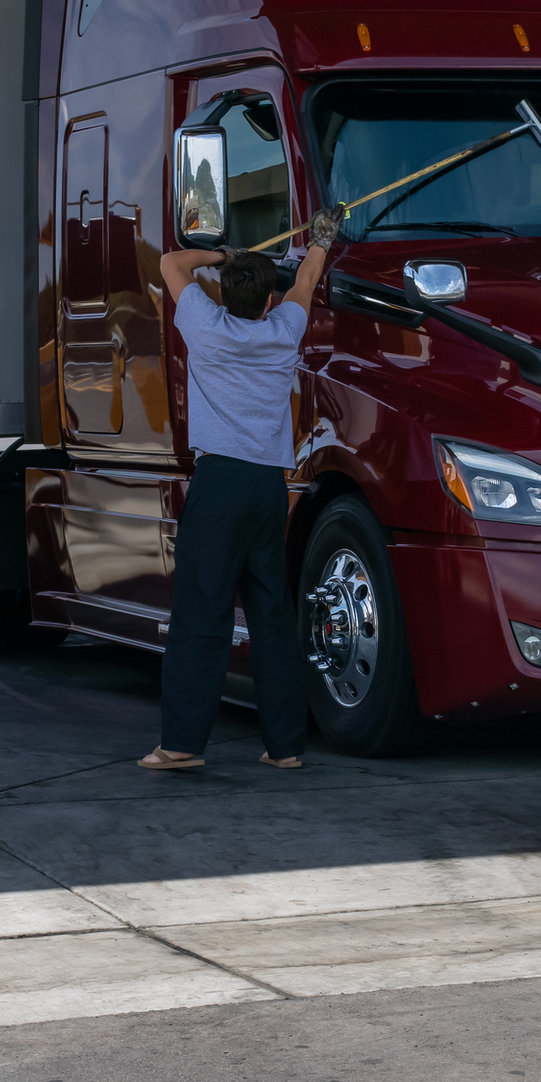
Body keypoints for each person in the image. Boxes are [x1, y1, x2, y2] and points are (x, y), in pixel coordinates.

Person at [140, 207, 343, 771]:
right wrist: (322, 238)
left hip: (220, 483)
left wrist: (222, 255)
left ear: (225, 295)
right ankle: (286, 748)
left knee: (201, 614)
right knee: (272, 617)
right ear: (267, 301)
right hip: (267, 487)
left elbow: (170, 262)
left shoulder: (204, 325)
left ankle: (181, 745)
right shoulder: (284, 330)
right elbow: (305, 279)